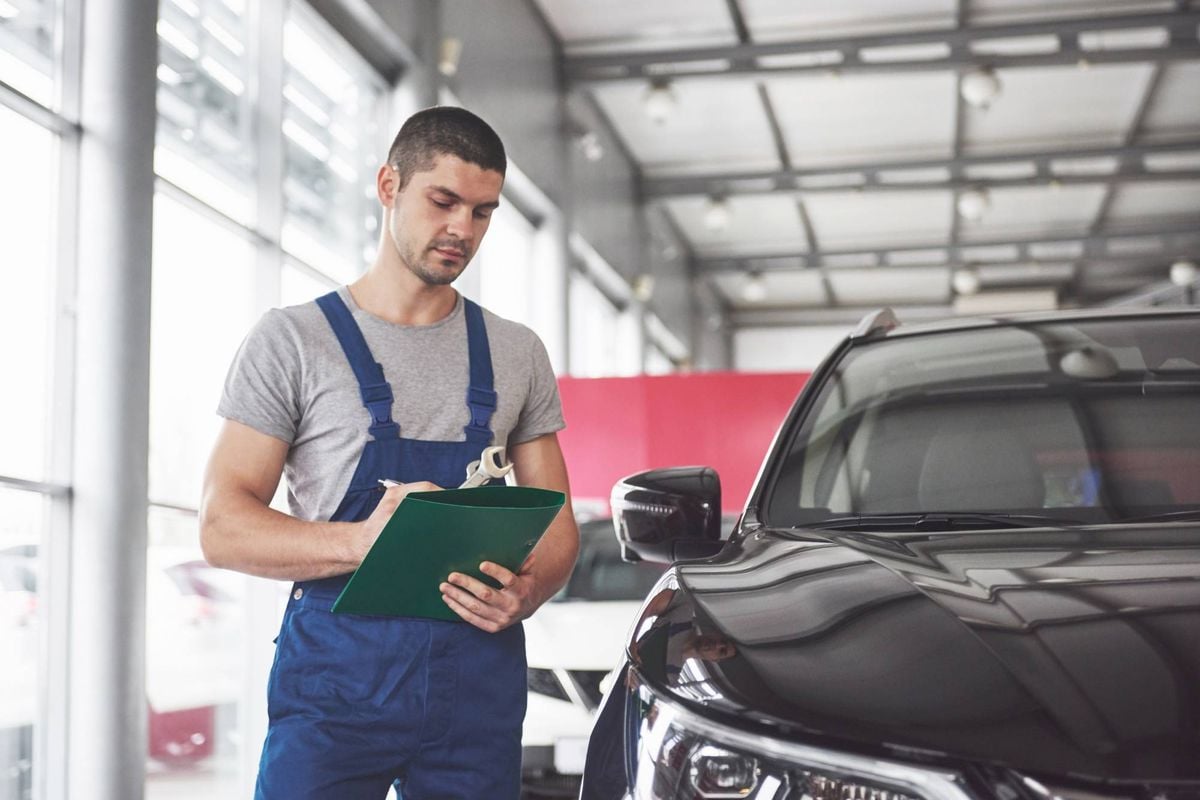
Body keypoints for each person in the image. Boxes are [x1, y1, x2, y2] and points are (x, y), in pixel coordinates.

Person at [199, 106, 580, 799]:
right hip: (336, 693)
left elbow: (556, 525)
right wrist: (365, 543)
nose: (463, 229)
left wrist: (528, 592)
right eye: (444, 201)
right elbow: (222, 526)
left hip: (478, 689)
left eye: (483, 212)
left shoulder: (516, 352)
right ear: (388, 185)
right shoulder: (292, 342)